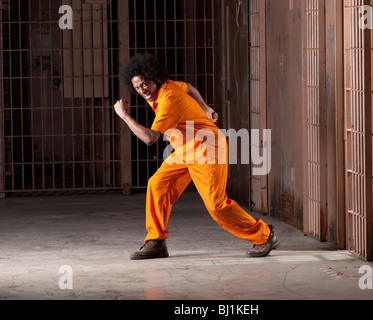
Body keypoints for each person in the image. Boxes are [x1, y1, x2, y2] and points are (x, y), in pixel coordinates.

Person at [114, 53, 279, 259]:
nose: (142, 91)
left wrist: (124, 116)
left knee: (216, 204)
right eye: (137, 88)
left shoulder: (168, 99)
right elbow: (190, 87)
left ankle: (264, 235)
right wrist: (205, 106)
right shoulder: (167, 86)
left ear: (154, 78)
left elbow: (149, 138)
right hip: (184, 149)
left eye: (145, 84)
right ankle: (156, 241)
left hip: (207, 148)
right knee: (157, 185)